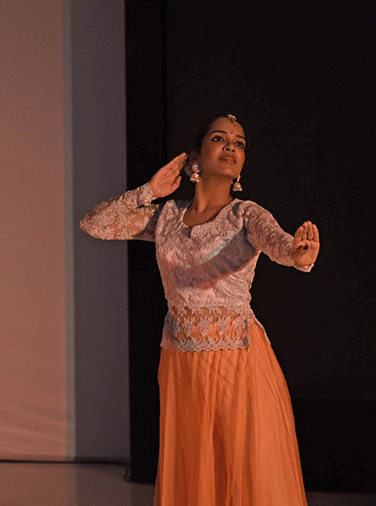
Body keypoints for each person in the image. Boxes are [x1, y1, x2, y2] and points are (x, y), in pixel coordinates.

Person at [80, 115, 319, 505]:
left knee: (243, 474)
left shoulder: (246, 215)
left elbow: (279, 244)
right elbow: (94, 224)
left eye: (239, 143)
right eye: (219, 138)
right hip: (180, 363)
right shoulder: (165, 218)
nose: (230, 147)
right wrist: (149, 190)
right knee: (196, 475)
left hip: (237, 363)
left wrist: (298, 253)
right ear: (195, 158)